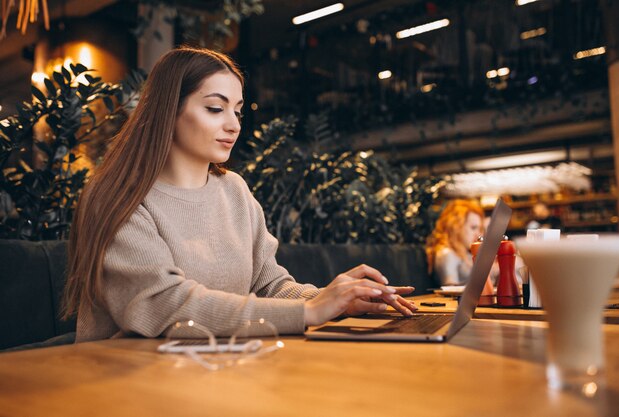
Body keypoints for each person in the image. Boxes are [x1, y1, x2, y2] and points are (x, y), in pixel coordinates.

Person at [61, 47, 416, 343]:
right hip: (126, 381)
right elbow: (164, 305)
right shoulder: (118, 198)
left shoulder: (234, 191)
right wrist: (309, 311)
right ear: (168, 111)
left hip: (218, 369)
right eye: (215, 108)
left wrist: (333, 299)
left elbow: (269, 285)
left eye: (237, 110)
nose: (233, 124)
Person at [426, 199, 484, 286]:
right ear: (456, 226)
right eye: (473, 228)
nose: (478, 234)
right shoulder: (447, 254)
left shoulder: (465, 253)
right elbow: (450, 289)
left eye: (479, 229)